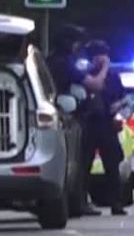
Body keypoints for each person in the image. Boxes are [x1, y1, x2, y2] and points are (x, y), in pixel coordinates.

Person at [46, 24, 108, 217]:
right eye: (76, 43)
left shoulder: (50, 61)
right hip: (71, 118)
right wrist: (105, 66)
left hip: (58, 116)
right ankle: (78, 202)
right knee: (79, 162)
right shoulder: (65, 63)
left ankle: (76, 201)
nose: (77, 47)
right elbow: (96, 84)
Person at [80, 40, 127, 216]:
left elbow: (122, 97)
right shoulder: (85, 73)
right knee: (84, 164)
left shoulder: (113, 76)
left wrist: (118, 107)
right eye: (100, 54)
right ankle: (82, 201)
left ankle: (116, 203)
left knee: (112, 165)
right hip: (89, 123)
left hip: (107, 123)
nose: (103, 58)